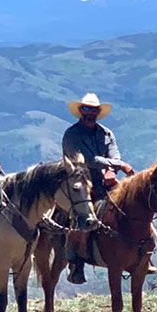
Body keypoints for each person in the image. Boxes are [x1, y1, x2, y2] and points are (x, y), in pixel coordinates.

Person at [60, 92, 140, 282]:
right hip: (79, 181)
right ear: (81, 111)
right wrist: (116, 166)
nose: (90, 113)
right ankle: (75, 258)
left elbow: (115, 156)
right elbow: (86, 160)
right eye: (87, 109)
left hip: (106, 180)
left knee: (133, 205)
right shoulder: (72, 135)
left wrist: (112, 171)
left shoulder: (106, 134)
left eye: (94, 110)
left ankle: (143, 249)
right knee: (81, 212)